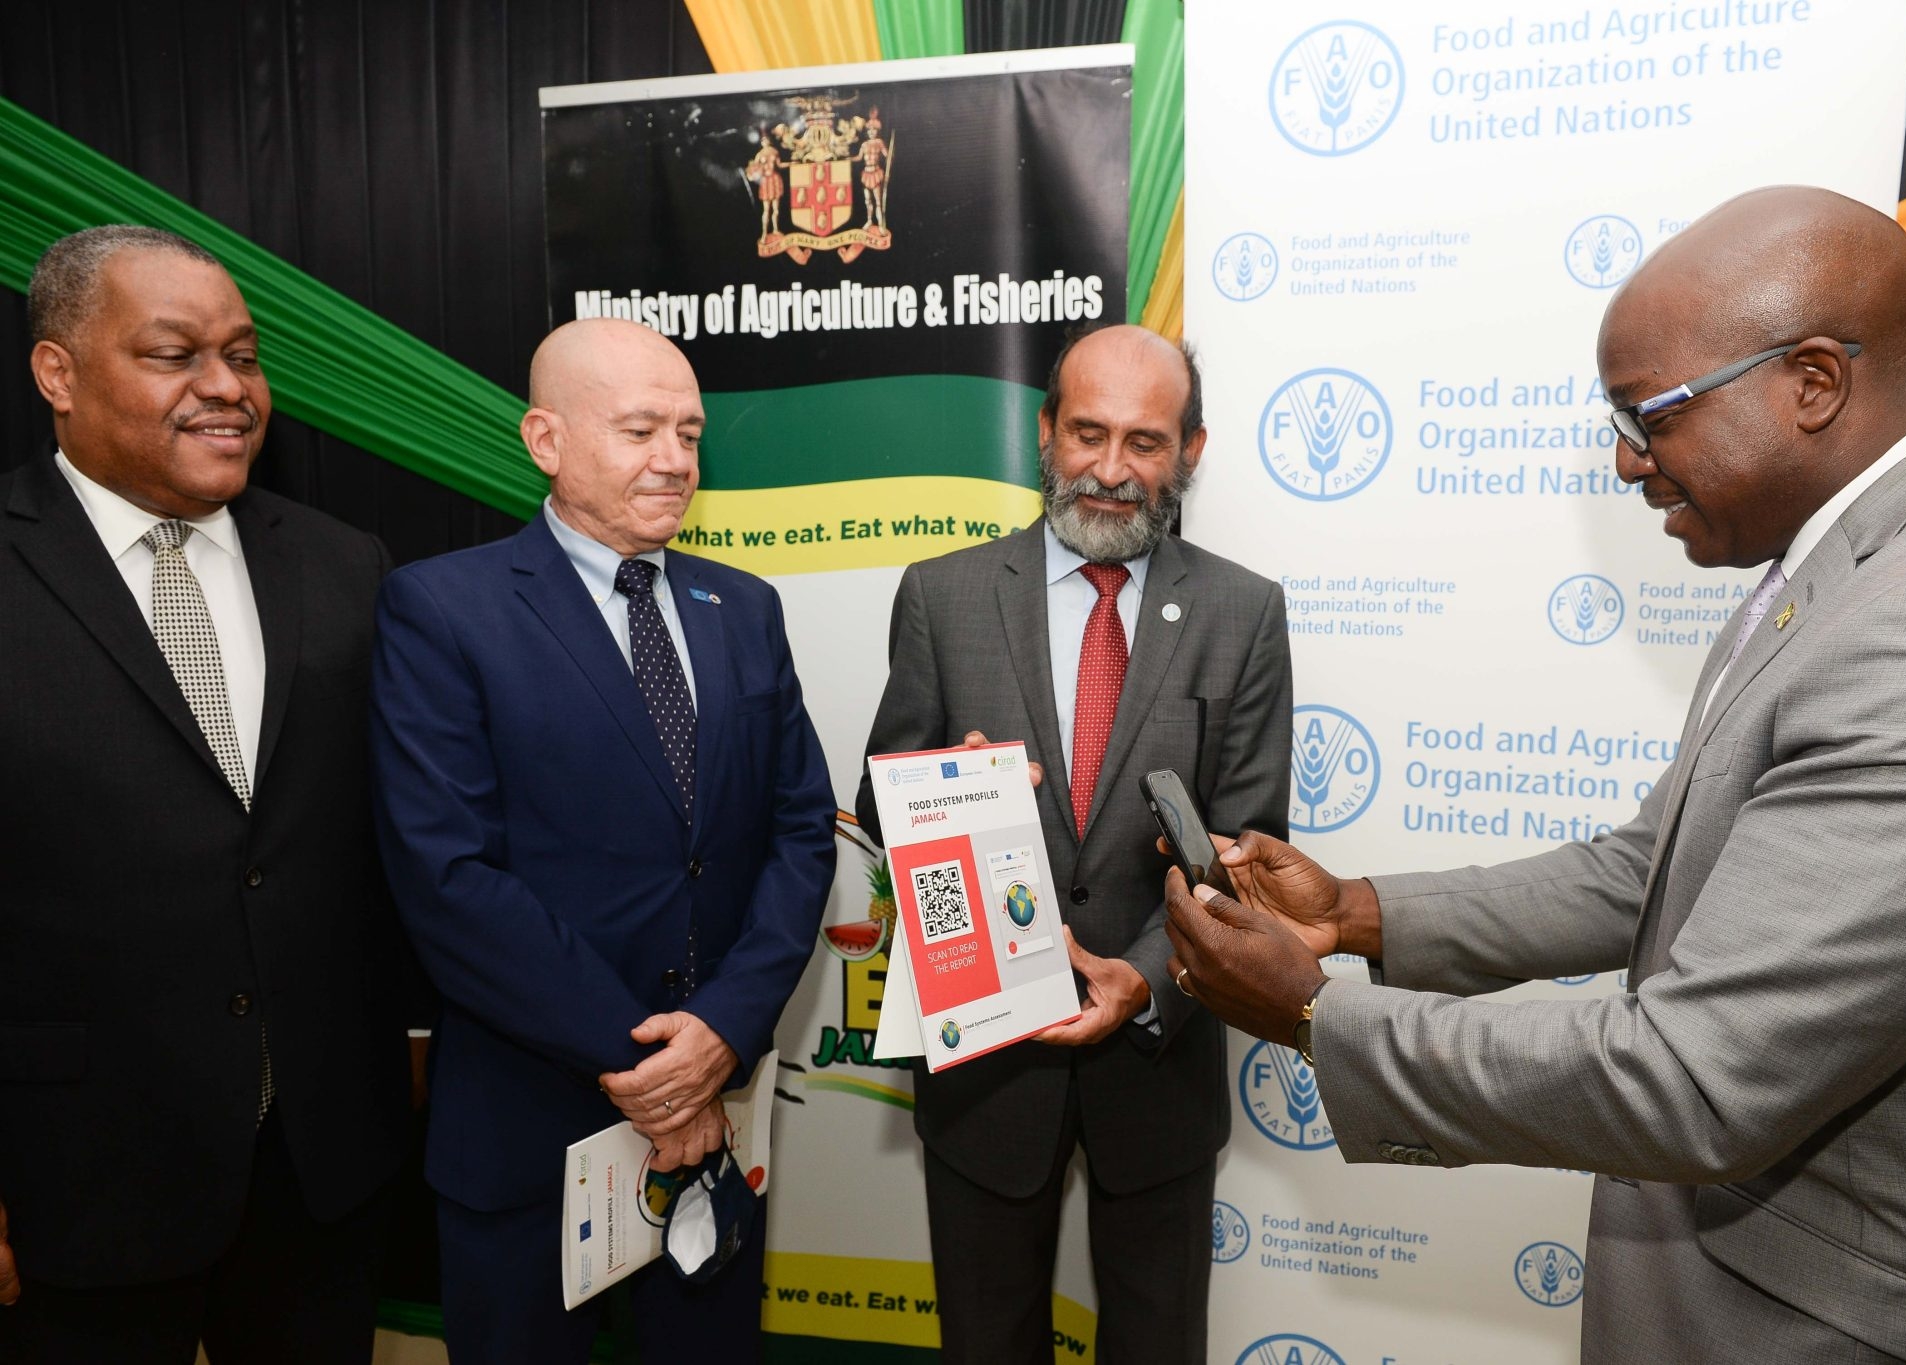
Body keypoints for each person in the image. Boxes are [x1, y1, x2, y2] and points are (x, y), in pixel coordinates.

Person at [1163, 187, 1906, 1362]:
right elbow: (1654, 868)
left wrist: (1317, 1014)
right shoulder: (1853, 569)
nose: (1626, 460)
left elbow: (1696, 1075)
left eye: (1650, 414)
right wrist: (1357, 919)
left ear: (1813, 383)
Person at [370, 317, 836, 1363]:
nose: (674, 460)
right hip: (531, 1132)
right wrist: (645, 1061)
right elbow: (447, 877)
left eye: (689, 432)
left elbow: (801, 831)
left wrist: (719, 1032)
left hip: (714, 1125)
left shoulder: (743, 607)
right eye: (639, 431)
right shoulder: (442, 609)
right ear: (545, 440)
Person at [0, 226, 412, 1363]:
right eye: (175, 354)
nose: (227, 388)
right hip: (74, 1182)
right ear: (58, 374)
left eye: (243, 353)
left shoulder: (345, 567)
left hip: (320, 1171)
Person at [856, 324, 1292, 1364]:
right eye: (1086, 432)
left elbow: (1250, 844)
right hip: (984, 1073)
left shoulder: (1242, 611)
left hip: (1160, 1063)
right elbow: (877, 807)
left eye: (1144, 442)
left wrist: (1143, 981)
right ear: (1043, 433)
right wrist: (942, 795)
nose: (1109, 469)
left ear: (1190, 450)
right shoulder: (943, 593)